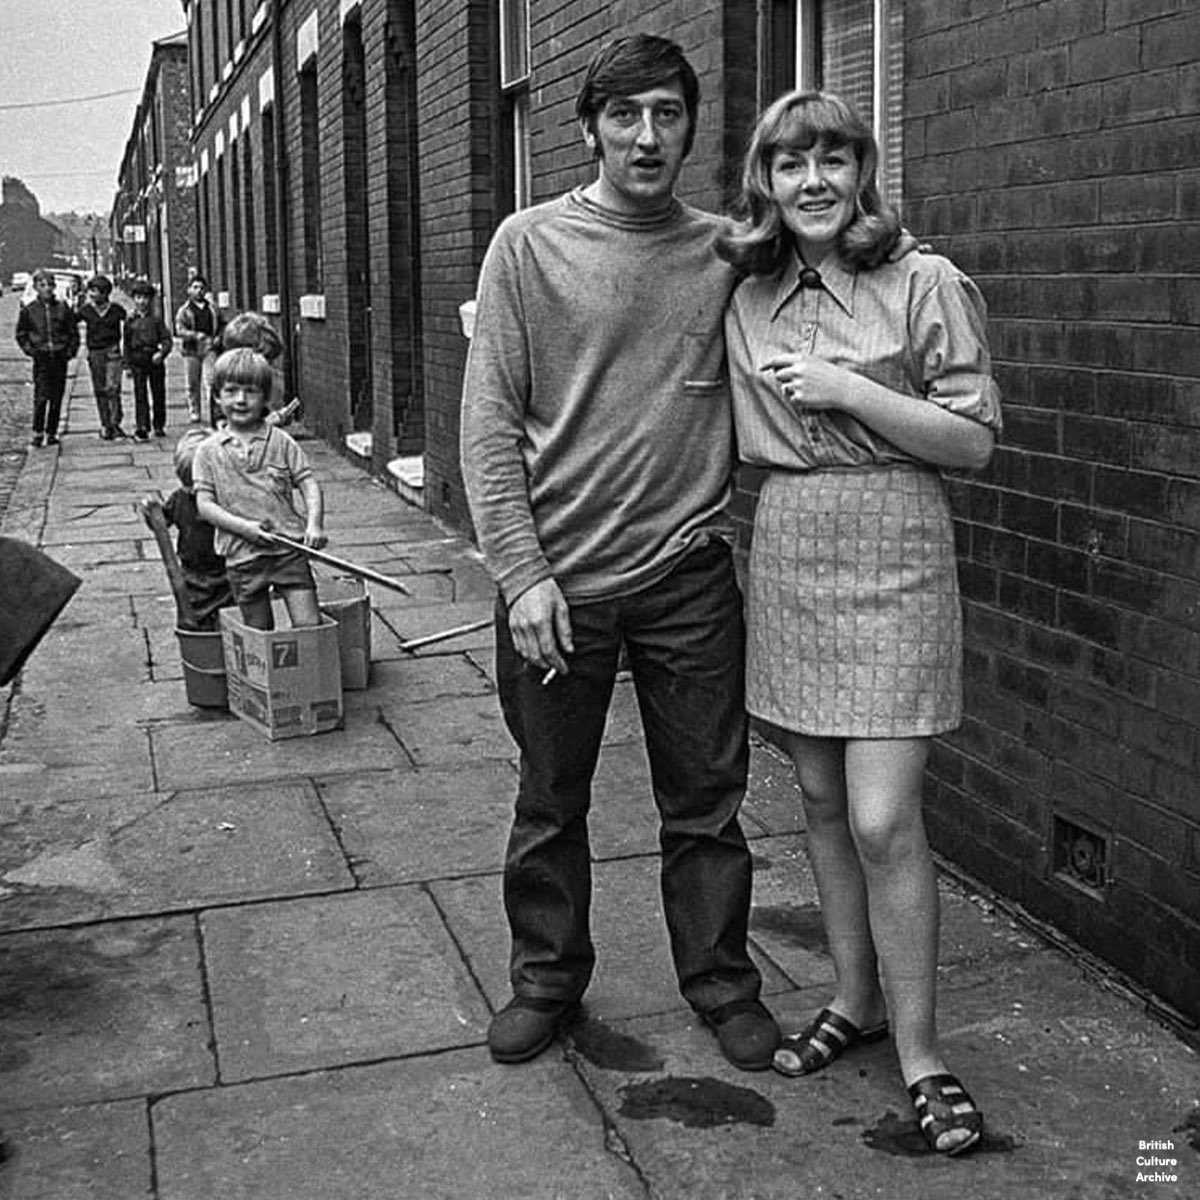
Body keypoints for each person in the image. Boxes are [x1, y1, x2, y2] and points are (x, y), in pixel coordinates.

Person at [460, 34, 779, 1072]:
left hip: (687, 574)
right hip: (560, 581)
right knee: (551, 799)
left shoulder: (727, 251)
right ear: (590, 126)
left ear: (693, 124)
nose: (648, 136)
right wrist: (522, 574)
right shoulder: (526, 245)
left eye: (669, 114)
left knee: (707, 803)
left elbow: (826, 280)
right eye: (626, 114)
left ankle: (723, 984)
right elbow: (488, 423)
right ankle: (546, 981)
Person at [719, 90, 1002, 1155]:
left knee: (887, 819)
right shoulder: (746, 293)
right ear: (767, 182)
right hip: (790, 544)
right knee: (824, 801)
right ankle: (855, 1000)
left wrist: (848, 387)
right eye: (791, 165)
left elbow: (973, 442)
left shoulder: (923, 282)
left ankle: (925, 1053)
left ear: (863, 169)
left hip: (895, 546)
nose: (814, 183)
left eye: (834, 160)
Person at [192, 348, 326, 630]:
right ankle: (269, 676)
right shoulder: (207, 452)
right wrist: (244, 528)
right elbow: (205, 505)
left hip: (288, 550)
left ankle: (309, 674)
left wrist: (314, 524)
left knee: (309, 625)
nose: (240, 400)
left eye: (251, 391)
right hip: (242, 555)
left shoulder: (281, 442)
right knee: (258, 633)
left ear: (265, 397)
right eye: (231, 391)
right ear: (217, 396)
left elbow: (308, 484)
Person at [158, 429, 235, 630]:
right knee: (192, 616)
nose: (193, 492)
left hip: (224, 570)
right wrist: (153, 514)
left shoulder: (225, 500)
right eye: (187, 484)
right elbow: (163, 521)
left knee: (228, 616)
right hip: (192, 572)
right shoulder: (179, 499)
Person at [14, 268, 79, 447]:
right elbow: (21, 334)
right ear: (36, 287)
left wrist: (70, 351)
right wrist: (31, 350)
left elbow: (72, 332)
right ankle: (37, 432)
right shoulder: (30, 310)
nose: (47, 289)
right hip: (41, 357)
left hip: (59, 356)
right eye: (42, 285)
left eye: (50, 285)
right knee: (42, 396)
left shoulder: (63, 308)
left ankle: (52, 432)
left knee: (57, 397)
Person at [219, 310, 299, 426]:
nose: (266, 366)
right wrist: (268, 423)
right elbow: (226, 431)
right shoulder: (226, 383)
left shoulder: (264, 380)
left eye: (269, 361)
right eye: (263, 358)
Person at [77, 274, 128, 440]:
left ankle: (115, 423)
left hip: (112, 351)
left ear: (105, 293)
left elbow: (129, 325)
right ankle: (105, 424)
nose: (92, 294)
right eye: (91, 290)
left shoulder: (116, 310)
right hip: (95, 353)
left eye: (96, 291)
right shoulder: (86, 310)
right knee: (100, 389)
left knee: (113, 387)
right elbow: (70, 324)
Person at [123, 281, 174, 441]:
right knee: (140, 394)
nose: (142, 301)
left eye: (145, 298)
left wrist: (162, 353)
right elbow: (126, 344)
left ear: (150, 300)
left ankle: (159, 424)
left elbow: (167, 340)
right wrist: (127, 366)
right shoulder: (130, 321)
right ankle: (142, 426)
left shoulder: (157, 320)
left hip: (154, 359)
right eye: (138, 297)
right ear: (134, 299)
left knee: (158, 392)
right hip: (138, 359)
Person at [174, 275, 224, 424]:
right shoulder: (184, 310)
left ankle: (214, 411)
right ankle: (194, 411)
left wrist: (218, 338)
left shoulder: (213, 308)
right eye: (195, 287)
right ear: (189, 290)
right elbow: (179, 329)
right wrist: (194, 335)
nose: (199, 291)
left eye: (201, 288)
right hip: (191, 350)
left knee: (211, 380)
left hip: (210, 348)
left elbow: (222, 325)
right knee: (192, 383)